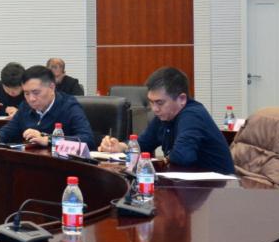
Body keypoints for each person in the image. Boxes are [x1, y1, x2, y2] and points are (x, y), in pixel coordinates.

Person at [98, 66, 235, 174]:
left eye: (160, 103)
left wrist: (160, 161)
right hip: (189, 185)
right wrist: (121, 146)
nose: (154, 109)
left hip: (218, 189)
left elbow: (182, 157)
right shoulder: (165, 115)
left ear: (182, 99)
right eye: (151, 102)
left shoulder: (193, 115)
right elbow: (143, 144)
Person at [0, 65, 94, 148]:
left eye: (36, 92)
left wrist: (49, 140)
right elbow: (8, 131)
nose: (31, 99)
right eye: (26, 93)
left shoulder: (69, 106)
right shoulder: (25, 106)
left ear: (51, 87)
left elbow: (87, 139)